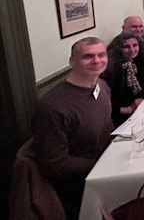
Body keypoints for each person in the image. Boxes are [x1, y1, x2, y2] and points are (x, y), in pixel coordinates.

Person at [32, 37, 112, 220]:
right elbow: (54, 164)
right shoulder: (53, 106)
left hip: (104, 168)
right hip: (78, 189)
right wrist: (104, 163)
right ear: (72, 61)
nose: (97, 61)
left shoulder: (102, 86)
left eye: (101, 55)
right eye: (88, 56)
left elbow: (107, 125)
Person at [102, 33, 144, 126]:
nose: (132, 50)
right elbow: (106, 105)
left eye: (135, 45)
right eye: (126, 47)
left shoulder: (141, 63)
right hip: (123, 119)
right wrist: (128, 109)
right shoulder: (112, 71)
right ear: (118, 49)